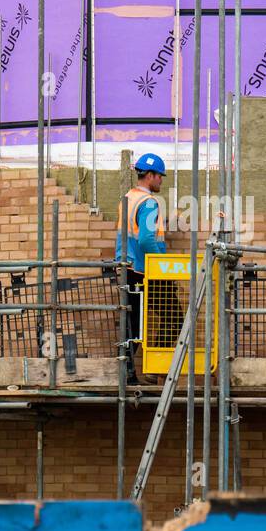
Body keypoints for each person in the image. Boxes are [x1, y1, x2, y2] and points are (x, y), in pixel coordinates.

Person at [116, 153, 168, 383]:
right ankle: (153, 367)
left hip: (127, 267)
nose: (161, 181)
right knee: (173, 316)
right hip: (145, 270)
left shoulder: (128, 198)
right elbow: (147, 239)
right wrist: (161, 266)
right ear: (150, 175)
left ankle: (128, 372)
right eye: (160, 176)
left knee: (134, 321)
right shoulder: (149, 203)